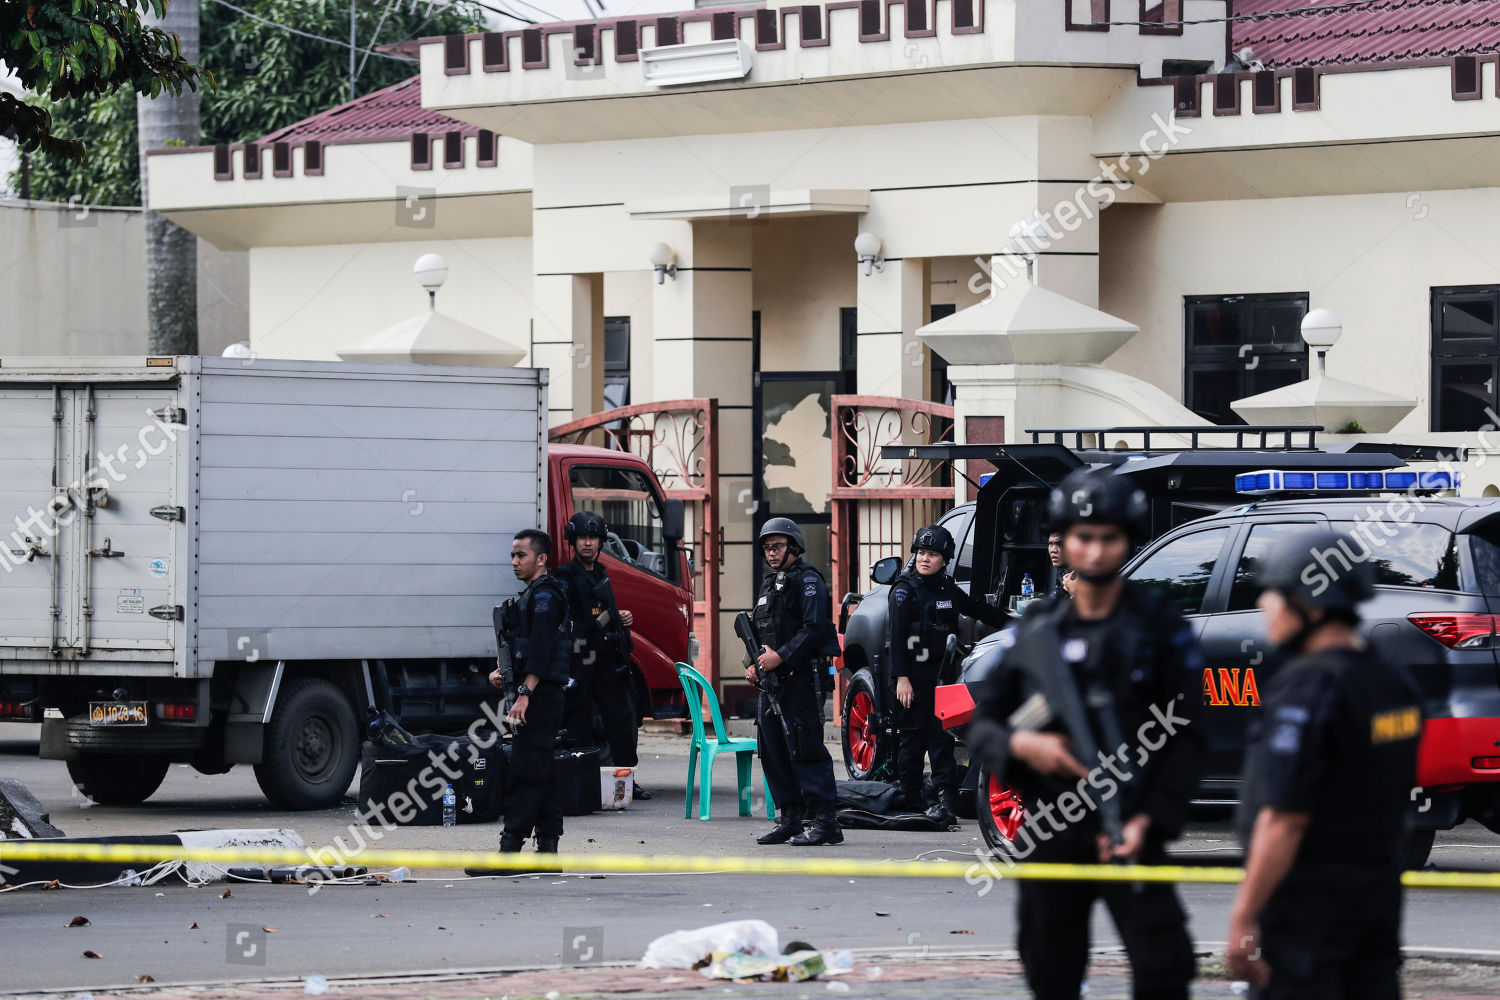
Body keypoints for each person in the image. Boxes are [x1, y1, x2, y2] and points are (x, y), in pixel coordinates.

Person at [967, 467, 1205, 1000]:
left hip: (1132, 821)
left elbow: (1188, 735)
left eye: (1108, 539)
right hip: (1053, 824)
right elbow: (984, 726)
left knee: (1164, 965)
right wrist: (1022, 744)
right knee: (1050, 966)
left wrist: (1151, 820)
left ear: (1126, 541)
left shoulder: (1160, 630)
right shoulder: (1038, 629)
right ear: (1064, 542)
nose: (1095, 552)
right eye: (1083, 538)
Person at [1226, 528, 1423, 999]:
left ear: (1309, 604)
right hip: (1374, 908)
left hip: (1307, 922)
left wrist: (1244, 914)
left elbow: (1285, 819)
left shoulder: (1308, 690)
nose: (1263, 608)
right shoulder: (1390, 682)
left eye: (1272, 595)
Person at [887, 523, 1008, 825]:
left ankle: (945, 798)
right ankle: (911, 797)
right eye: (921, 553)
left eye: (932, 554)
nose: (925, 559)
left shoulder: (947, 588)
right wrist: (902, 678)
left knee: (941, 740)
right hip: (911, 680)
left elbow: (979, 610)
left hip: (942, 678)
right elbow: (896, 639)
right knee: (912, 740)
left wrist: (1015, 623)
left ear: (945, 558)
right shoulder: (903, 591)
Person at [467, 528, 571, 874]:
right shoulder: (535, 595)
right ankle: (547, 852)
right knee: (543, 772)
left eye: (521, 555)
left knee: (526, 772)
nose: (514, 562)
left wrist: (524, 692)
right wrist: (504, 673)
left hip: (540, 698)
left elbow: (542, 650)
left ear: (541, 559)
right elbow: (528, 648)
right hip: (540, 693)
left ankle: (509, 852)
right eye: (512, 555)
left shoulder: (544, 597)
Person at [747, 516, 844, 847]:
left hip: (802, 676)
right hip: (771, 682)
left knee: (807, 748)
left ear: (794, 546)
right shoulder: (768, 585)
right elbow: (760, 630)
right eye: (766, 548)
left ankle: (826, 821)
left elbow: (814, 628)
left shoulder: (808, 581)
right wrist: (753, 664)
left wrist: (782, 657)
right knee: (771, 748)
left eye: (777, 546)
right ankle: (790, 817)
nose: (771, 553)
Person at [555, 511, 650, 799]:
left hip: (608, 659)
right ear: (573, 541)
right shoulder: (565, 577)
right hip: (580, 661)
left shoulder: (601, 572)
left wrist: (622, 619)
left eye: (593, 538)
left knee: (621, 718)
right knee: (579, 722)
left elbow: (606, 611)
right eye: (582, 537)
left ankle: (626, 779)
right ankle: (582, 781)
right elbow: (563, 623)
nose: (588, 543)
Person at [1047, 530, 1077, 599]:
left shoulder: (1089, 576)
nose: (1053, 550)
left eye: (1059, 544)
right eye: (1051, 544)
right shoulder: (1063, 573)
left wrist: (1073, 592)